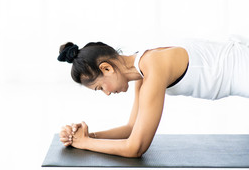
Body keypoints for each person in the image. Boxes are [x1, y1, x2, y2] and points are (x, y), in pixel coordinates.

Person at [57, 37, 249, 158]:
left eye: (100, 88)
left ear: (106, 68)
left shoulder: (153, 69)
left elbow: (136, 147)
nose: (106, 93)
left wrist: (85, 143)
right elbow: (131, 129)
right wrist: (88, 136)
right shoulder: (144, 70)